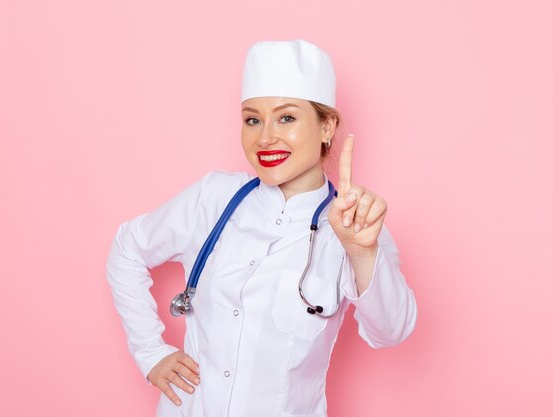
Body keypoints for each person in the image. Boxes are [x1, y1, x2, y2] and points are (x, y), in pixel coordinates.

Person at [106, 39, 417, 417]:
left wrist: (363, 253)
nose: (265, 137)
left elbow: (391, 331)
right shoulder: (214, 197)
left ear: (327, 127)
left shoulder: (356, 225)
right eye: (252, 119)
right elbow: (127, 248)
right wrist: (150, 352)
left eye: (286, 118)